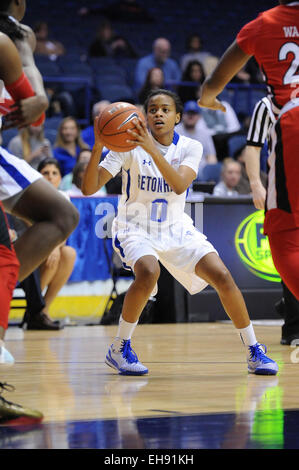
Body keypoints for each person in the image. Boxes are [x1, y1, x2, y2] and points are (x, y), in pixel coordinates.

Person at [82, 88, 278, 376]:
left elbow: (178, 184)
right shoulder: (127, 147)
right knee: (148, 272)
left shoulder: (190, 147)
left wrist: (150, 148)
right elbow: (88, 188)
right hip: (134, 226)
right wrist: (99, 146)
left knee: (222, 276)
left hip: (176, 226)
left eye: (164, 109)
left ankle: (253, 350)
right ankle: (119, 347)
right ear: (145, 116)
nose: (158, 113)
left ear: (177, 117)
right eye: (152, 109)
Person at [198, 1, 299, 317]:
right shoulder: (261, 109)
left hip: (293, 124)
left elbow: (213, 84)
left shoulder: (263, 24)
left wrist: (208, 98)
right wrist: (255, 182)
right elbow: (252, 148)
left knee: (283, 235)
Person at [0, 1, 79, 350]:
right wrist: (41, 101)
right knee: (61, 216)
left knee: (61, 216)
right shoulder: (13, 36)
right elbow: (35, 107)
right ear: (19, 4)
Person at [244, 96, 299, 346]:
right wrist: (256, 183)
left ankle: (288, 308)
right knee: (290, 253)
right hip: (284, 187)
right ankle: (293, 327)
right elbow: (254, 146)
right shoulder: (267, 105)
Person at [37, 158, 76, 323]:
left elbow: (64, 232)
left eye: (54, 173)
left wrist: (54, 247)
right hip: (30, 249)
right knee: (56, 253)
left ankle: (43, 309)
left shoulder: (63, 196)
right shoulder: (31, 196)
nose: (50, 177)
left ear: (60, 178)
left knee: (68, 253)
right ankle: (35, 307)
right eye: (45, 173)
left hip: (50, 248)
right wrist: (52, 247)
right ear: (37, 176)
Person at [175, 101, 217, 180]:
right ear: (182, 115)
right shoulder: (175, 132)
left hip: (201, 172)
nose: (191, 116)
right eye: (188, 113)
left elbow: (211, 157)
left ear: (199, 117)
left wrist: (211, 172)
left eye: (194, 114)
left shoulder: (204, 133)